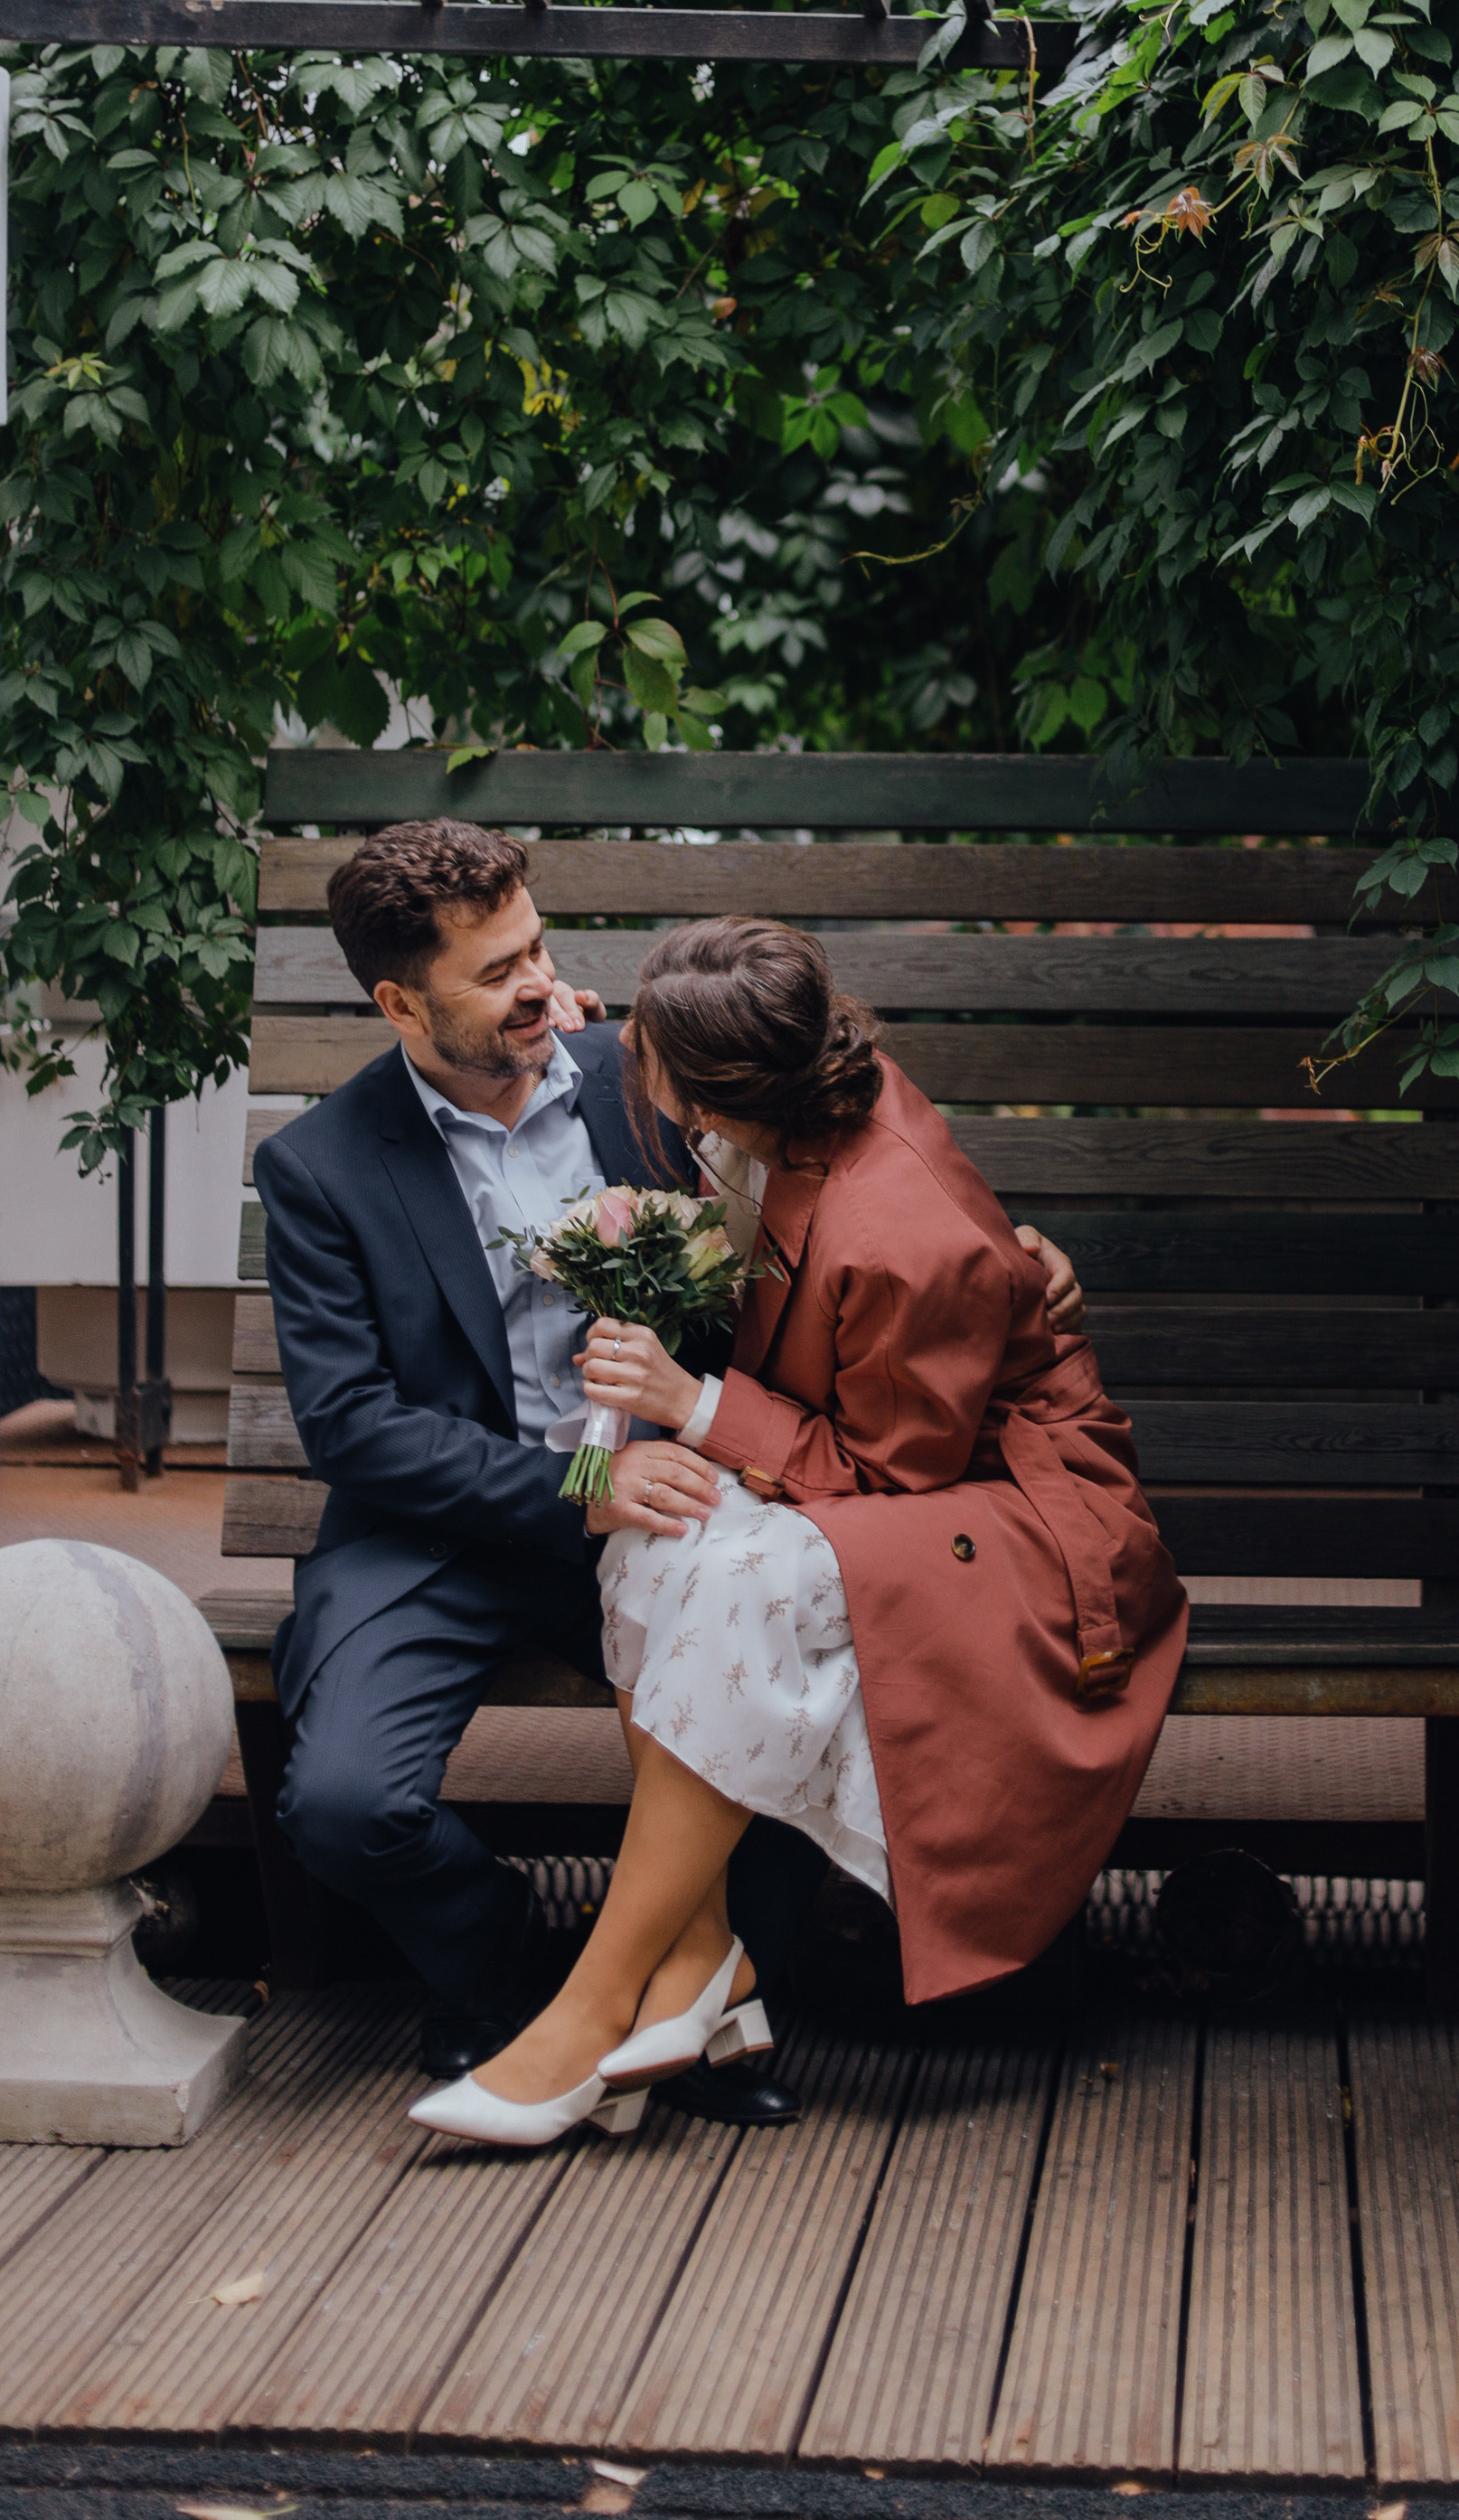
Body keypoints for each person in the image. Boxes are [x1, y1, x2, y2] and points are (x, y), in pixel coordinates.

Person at [256, 823, 1087, 2102]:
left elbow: (852, 1178)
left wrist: (1009, 1260)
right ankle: (508, 1971)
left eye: (537, 946)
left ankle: (707, 1995)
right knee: (344, 1807)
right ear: (398, 1002)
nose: (540, 984)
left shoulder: (646, 1074)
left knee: (772, 1665)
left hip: (685, 1500)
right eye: (495, 974)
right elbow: (354, 1428)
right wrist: (582, 1491)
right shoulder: (319, 1165)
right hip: (451, 1535)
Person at [409, 914, 1188, 2150]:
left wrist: (693, 1402)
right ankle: (700, 1967)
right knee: (653, 1531)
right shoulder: (785, 1093)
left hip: (1011, 1508)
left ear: (719, 1090)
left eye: (643, 1051)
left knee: (737, 1585)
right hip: (902, 1466)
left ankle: (588, 2009)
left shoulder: (896, 1233)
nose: (624, 1062)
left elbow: (896, 1473)